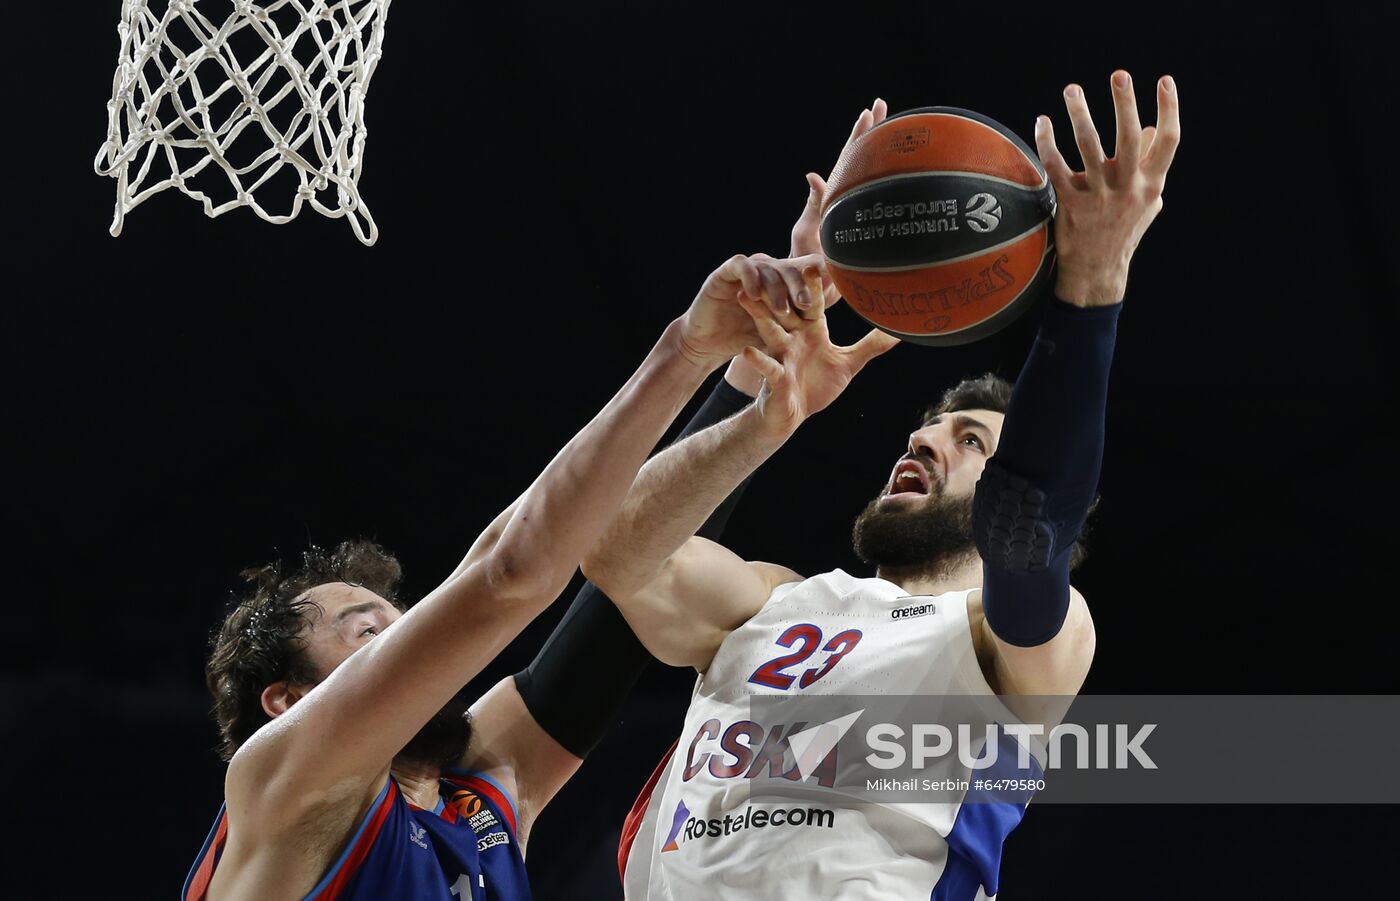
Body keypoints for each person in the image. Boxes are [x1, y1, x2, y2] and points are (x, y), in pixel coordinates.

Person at [181, 102, 899, 901]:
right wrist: (685, 349)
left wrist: (761, 371)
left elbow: (627, 596)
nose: (410, 641)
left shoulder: (476, 786)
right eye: (368, 633)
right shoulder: (280, 786)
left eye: (396, 620)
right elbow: (510, 570)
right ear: (289, 699)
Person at [584, 70, 1180, 899]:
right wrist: (762, 387)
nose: (925, 442)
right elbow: (613, 548)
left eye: (969, 440)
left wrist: (1091, 283)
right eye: (924, 430)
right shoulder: (770, 603)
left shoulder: (1017, 644)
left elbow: (1026, 519)